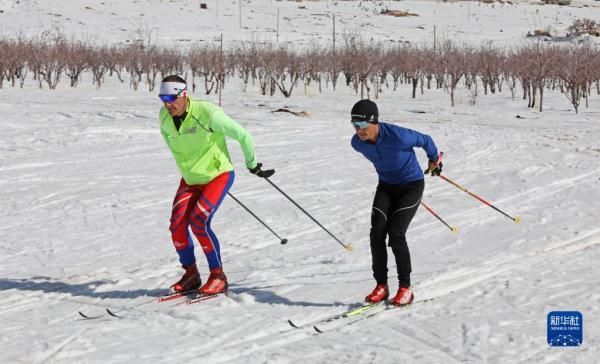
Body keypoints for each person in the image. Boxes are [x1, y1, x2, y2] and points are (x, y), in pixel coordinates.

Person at [158, 75, 273, 295]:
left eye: (171, 97)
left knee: (198, 221)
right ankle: (191, 274)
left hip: (218, 176)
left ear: (183, 94)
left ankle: (218, 275)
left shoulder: (208, 114)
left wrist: (252, 164)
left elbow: (243, 135)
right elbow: (173, 146)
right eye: (162, 97)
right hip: (191, 180)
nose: (167, 103)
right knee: (177, 226)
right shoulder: (164, 117)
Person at [349, 99, 442, 306]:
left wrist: (434, 160)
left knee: (396, 232)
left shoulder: (398, 136)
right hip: (386, 187)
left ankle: (405, 287)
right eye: (355, 126)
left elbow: (426, 140)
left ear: (375, 122)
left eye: (362, 125)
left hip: (411, 186)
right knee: (377, 232)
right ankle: (381, 285)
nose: (359, 131)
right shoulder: (357, 143)